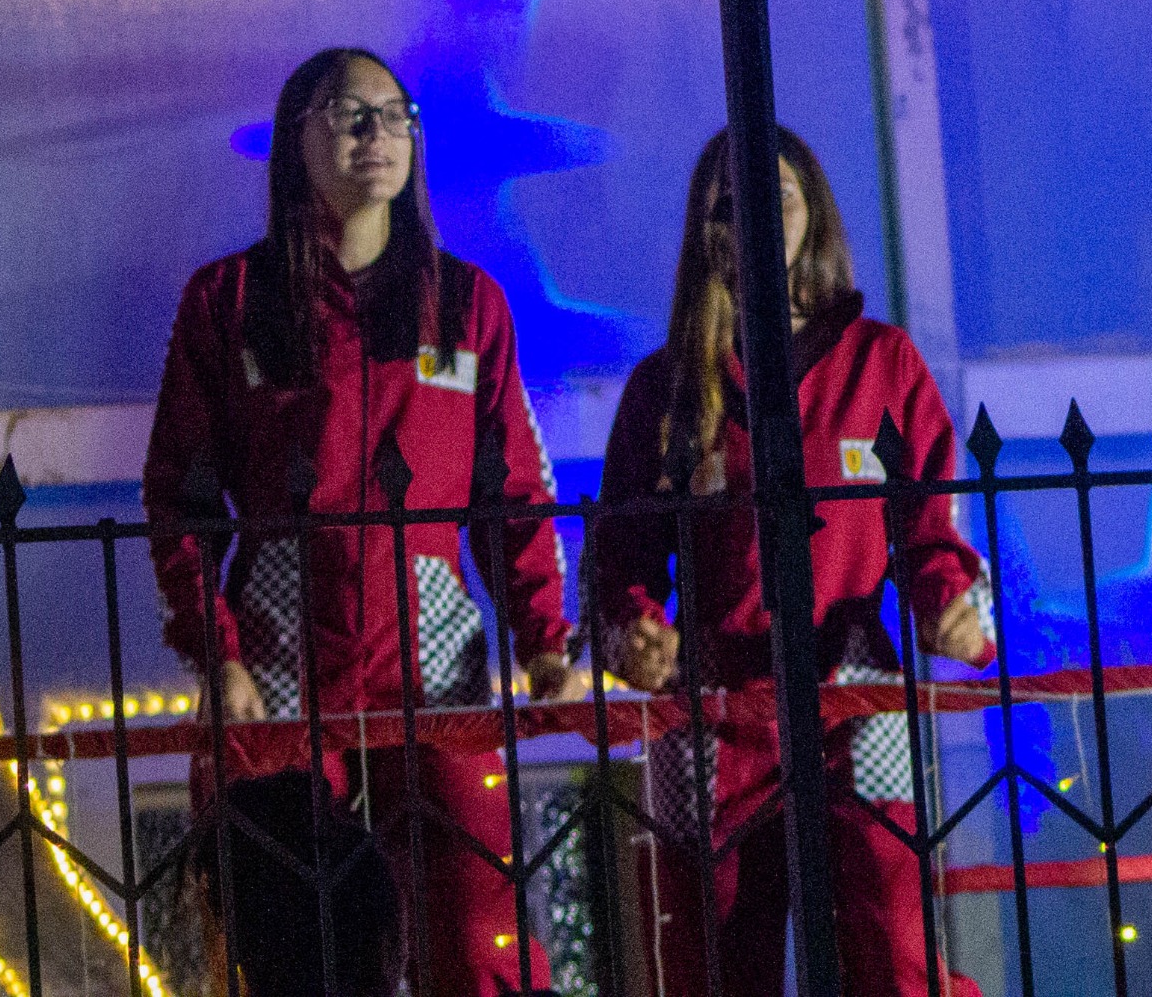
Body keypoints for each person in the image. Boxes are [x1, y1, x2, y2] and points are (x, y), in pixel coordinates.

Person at [141, 49, 577, 997]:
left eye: (395, 114)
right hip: (277, 665)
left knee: (476, 933)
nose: (377, 134)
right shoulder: (229, 301)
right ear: (296, 138)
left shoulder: (467, 304)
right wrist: (219, 654)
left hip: (435, 660)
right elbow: (180, 498)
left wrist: (545, 636)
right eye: (350, 113)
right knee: (299, 953)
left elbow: (511, 493)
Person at [592, 129, 993, 997]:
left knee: (893, 948)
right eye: (730, 202)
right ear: (706, 227)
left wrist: (949, 603)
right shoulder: (664, 384)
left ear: (814, 210)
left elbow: (928, 525)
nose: (755, 217)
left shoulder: (882, 360)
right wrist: (635, 631)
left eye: (775, 194)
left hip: (854, 688)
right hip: (712, 704)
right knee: (715, 963)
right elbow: (620, 556)